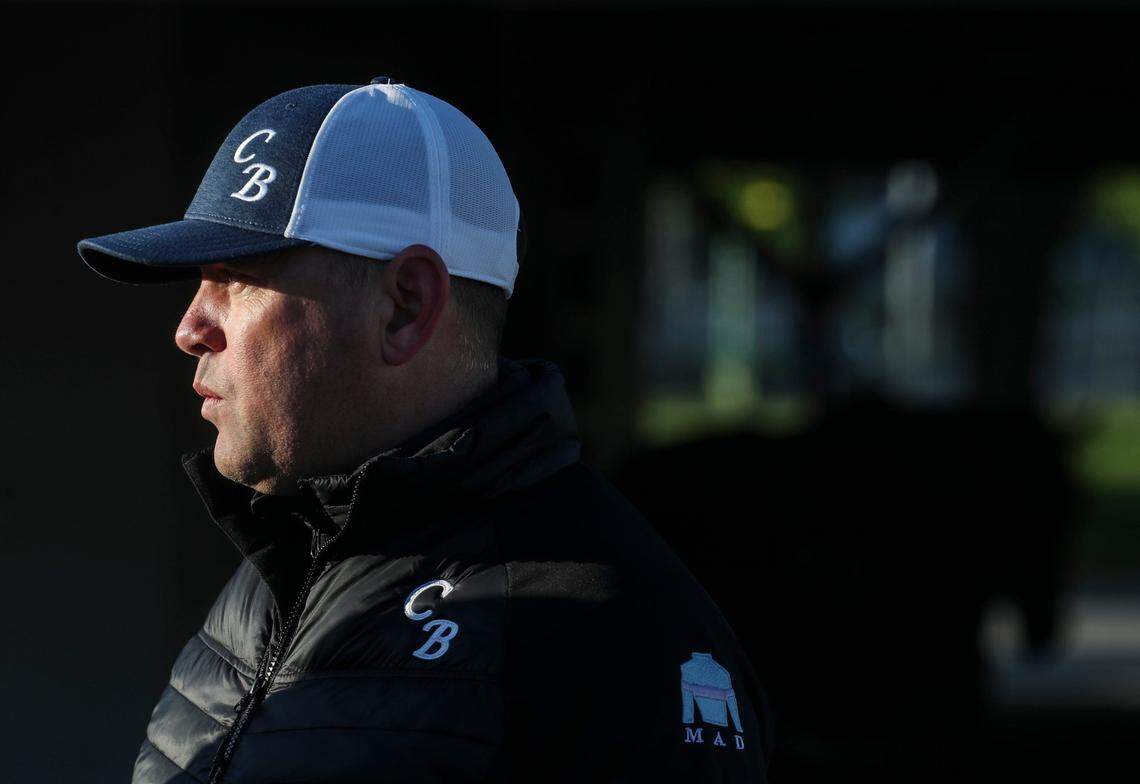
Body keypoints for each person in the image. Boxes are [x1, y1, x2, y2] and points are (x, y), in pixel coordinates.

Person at [77, 78, 772, 784]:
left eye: (236, 276)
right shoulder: (286, 558)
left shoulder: (610, 629)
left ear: (406, 306)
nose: (190, 327)